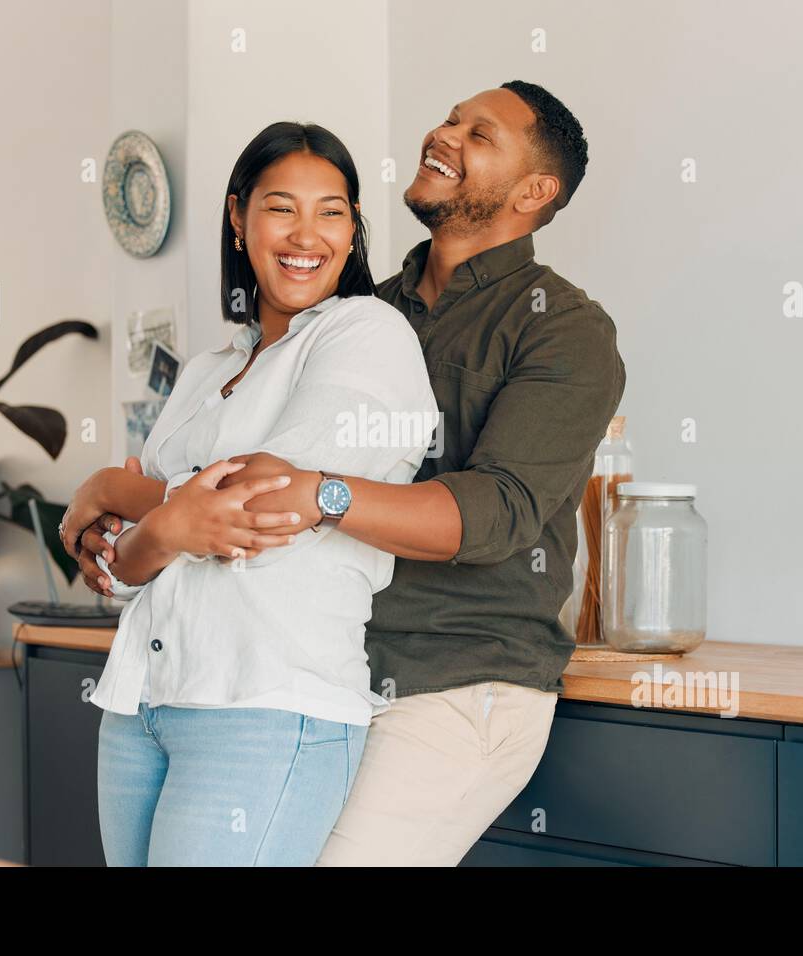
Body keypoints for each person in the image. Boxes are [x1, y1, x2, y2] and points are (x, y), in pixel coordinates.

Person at [216, 81, 627, 865]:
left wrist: (321, 495)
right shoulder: (358, 312)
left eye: (479, 134)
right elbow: (249, 457)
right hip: (328, 675)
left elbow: (496, 512)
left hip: (460, 686)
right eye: (449, 118)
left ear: (535, 192)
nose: (444, 135)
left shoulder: (567, 330)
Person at [59, 121, 437, 866]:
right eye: (280, 207)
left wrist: (110, 488)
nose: (308, 234)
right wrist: (160, 529)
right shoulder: (207, 369)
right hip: (142, 703)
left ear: (354, 229)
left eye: (332, 210)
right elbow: (125, 571)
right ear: (238, 217)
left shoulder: (367, 334)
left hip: (268, 707)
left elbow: (265, 502)